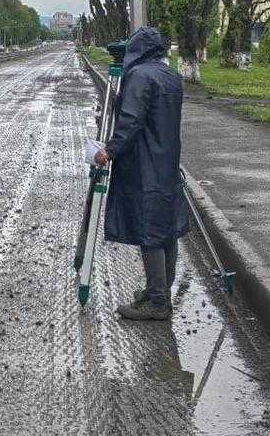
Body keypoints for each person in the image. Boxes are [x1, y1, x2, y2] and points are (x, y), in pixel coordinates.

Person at [94, 26, 187, 321]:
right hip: (167, 160)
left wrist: (109, 150)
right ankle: (159, 290)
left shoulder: (139, 77)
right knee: (166, 229)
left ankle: (158, 302)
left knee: (150, 231)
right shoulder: (170, 75)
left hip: (144, 162)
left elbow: (131, 120)